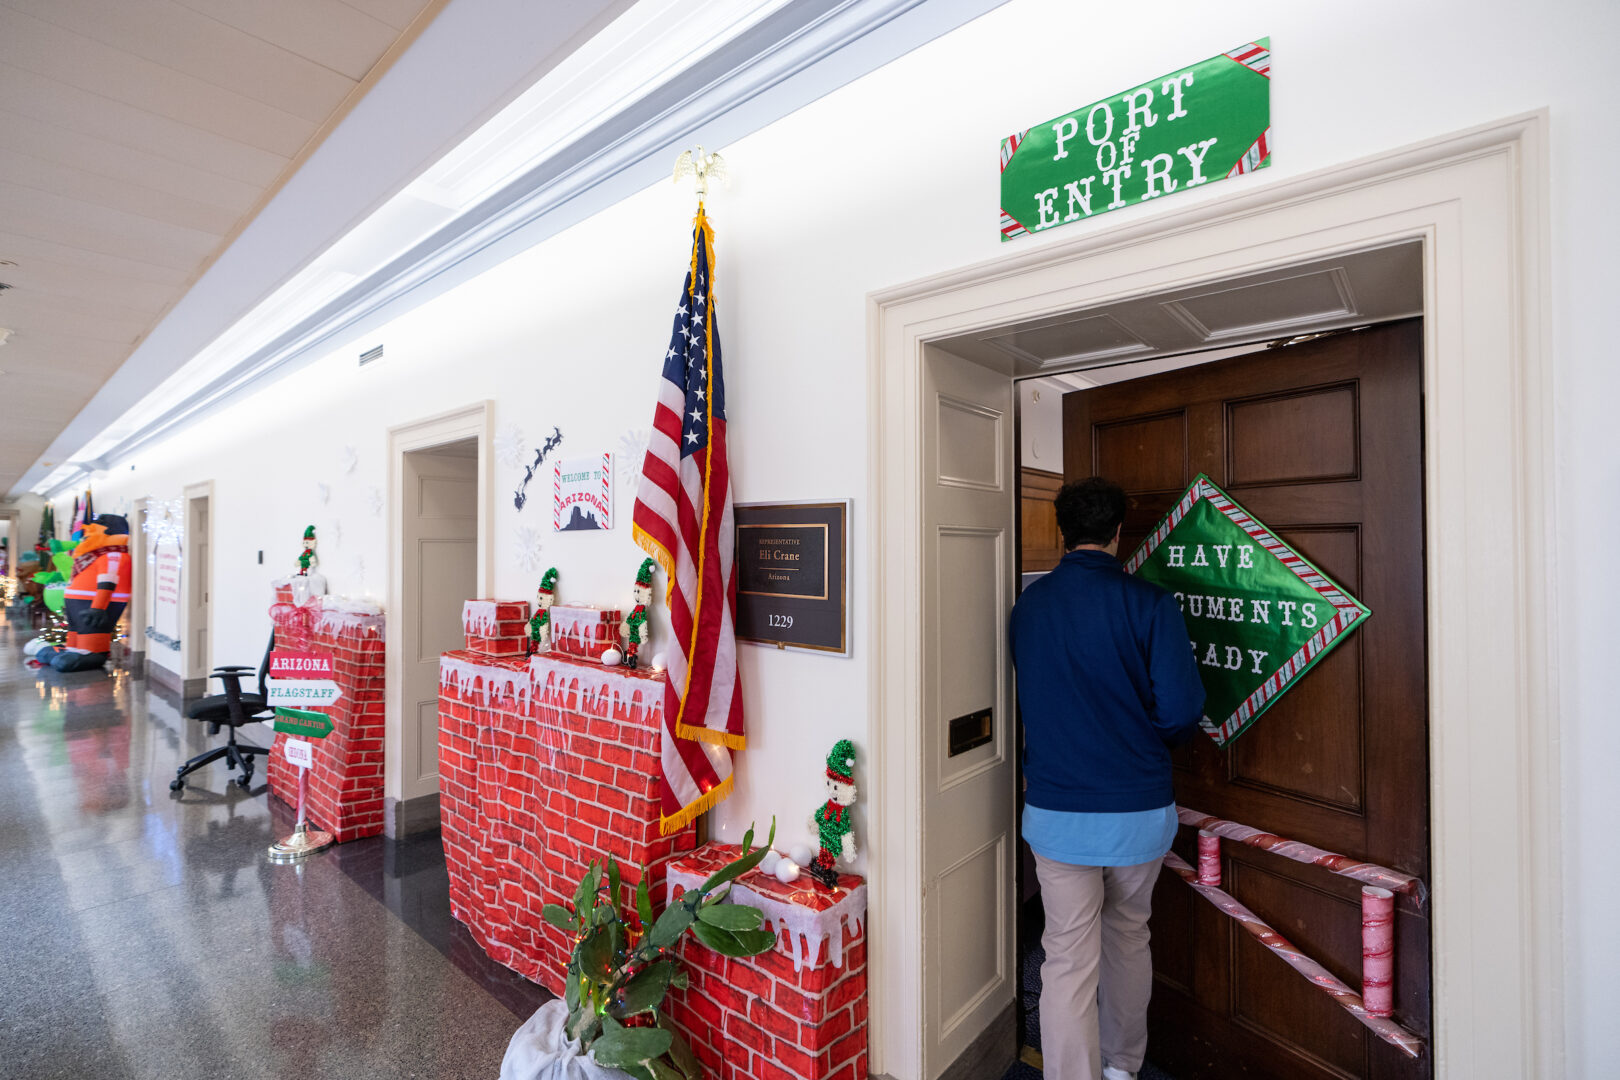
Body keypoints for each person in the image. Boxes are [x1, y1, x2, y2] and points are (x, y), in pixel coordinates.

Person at [1009, 476, 1204, 1080]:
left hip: (1057, 813)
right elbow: (1181, 710)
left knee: (1067, 957)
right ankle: (1123, 1068)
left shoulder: (1027, 609)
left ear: (1062, 533)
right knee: (1128, 938)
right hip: (1137, 812)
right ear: (1120, 534)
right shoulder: (1150, 606)